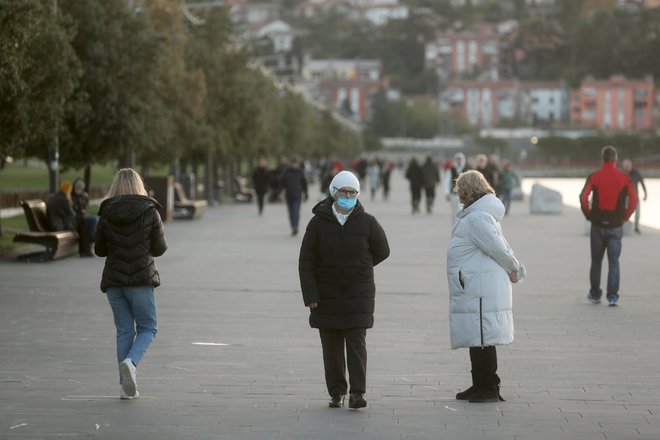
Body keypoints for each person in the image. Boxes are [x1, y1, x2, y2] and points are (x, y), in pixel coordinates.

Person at [299, 170, 390, 409]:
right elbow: (306, 261)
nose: (348, 196)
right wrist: (310, 295)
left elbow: (383, 250)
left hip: (357, 294)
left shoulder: (367, 222)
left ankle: (358, 393)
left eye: (352, 193)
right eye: (344, 192)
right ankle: (337, 392)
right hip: (325, 295)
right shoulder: (318, 223)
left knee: (356, 344)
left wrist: (361, 266)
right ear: (333, 193)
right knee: (331, 347)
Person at [447, 170, 524, 403]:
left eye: (460, 189)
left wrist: (515, 269)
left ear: (468, 190)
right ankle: (479, 383)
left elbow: (498, 248)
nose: (458, 194)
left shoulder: (478, 218)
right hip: (476, 283)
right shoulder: (477, 215)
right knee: (476, 335)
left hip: (481, 286)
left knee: (483, 336)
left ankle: (490, 386)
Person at [94, 168, 167, 400]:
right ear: (139, 185)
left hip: (115, 281)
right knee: (148, 328)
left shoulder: (106, 212)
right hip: (140, 279)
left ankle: (125, 388)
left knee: (124, 330)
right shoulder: (150, 210)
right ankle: (131, 363)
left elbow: (99, 249)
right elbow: (159, 248)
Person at [580, 146, 638, 307]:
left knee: (596, 261)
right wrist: (625, 217)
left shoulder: (594, 176)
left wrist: (589, 215)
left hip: (597, 225)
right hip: (616, 225)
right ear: (616, 159)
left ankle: (595, 294)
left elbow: (583, 197)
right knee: (614, 261)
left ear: (602, 159)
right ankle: (612, 296)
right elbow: (634, 200)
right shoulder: (625, 178)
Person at [280, 157, 308, 236]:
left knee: (296, 211)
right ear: (291, 163)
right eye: (293, 163)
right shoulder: (286, 172)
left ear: (298, 164)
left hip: (297, 195)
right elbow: (282, 182)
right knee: (291, 212)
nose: (294, 165)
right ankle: (293, 226)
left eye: (296, 163)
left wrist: (306, 194)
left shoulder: (300, 172)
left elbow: (304, 183)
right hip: (288, 195)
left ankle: (295, 227)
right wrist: (279, 192)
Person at [71, 179, 98, 257]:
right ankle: (92, 237)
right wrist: (80, 211)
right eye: (78, 189)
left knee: (96, 220)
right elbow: (72, 210)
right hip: (77, 218)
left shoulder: (84, 196)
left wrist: (84, 210)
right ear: (75, 188)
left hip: (82, 217)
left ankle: (92, 237)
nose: (79, 190)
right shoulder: (72, 197)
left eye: (81, 189)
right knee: (93, 219)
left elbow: (86, 208)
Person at [621, 158, 648, 233]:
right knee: (624, 211)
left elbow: (642, 184)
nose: (626, 168)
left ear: (631, 166)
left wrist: (645, 194)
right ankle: (622, 226)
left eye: (628, 166)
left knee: (637, 212)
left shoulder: (636, 173)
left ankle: (636, 227)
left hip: (635, 196)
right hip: (624, 197)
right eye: (625, 166)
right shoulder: (621, 173)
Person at [443, 152, 468, 223]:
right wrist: (447, 193)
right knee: (455, 213)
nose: (459, 161)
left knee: (464, 213)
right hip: (454, 195)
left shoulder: (467, 170)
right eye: (457, 159)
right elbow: (447, 182)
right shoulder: (451, 170)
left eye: (460, 159)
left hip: (465, 195)